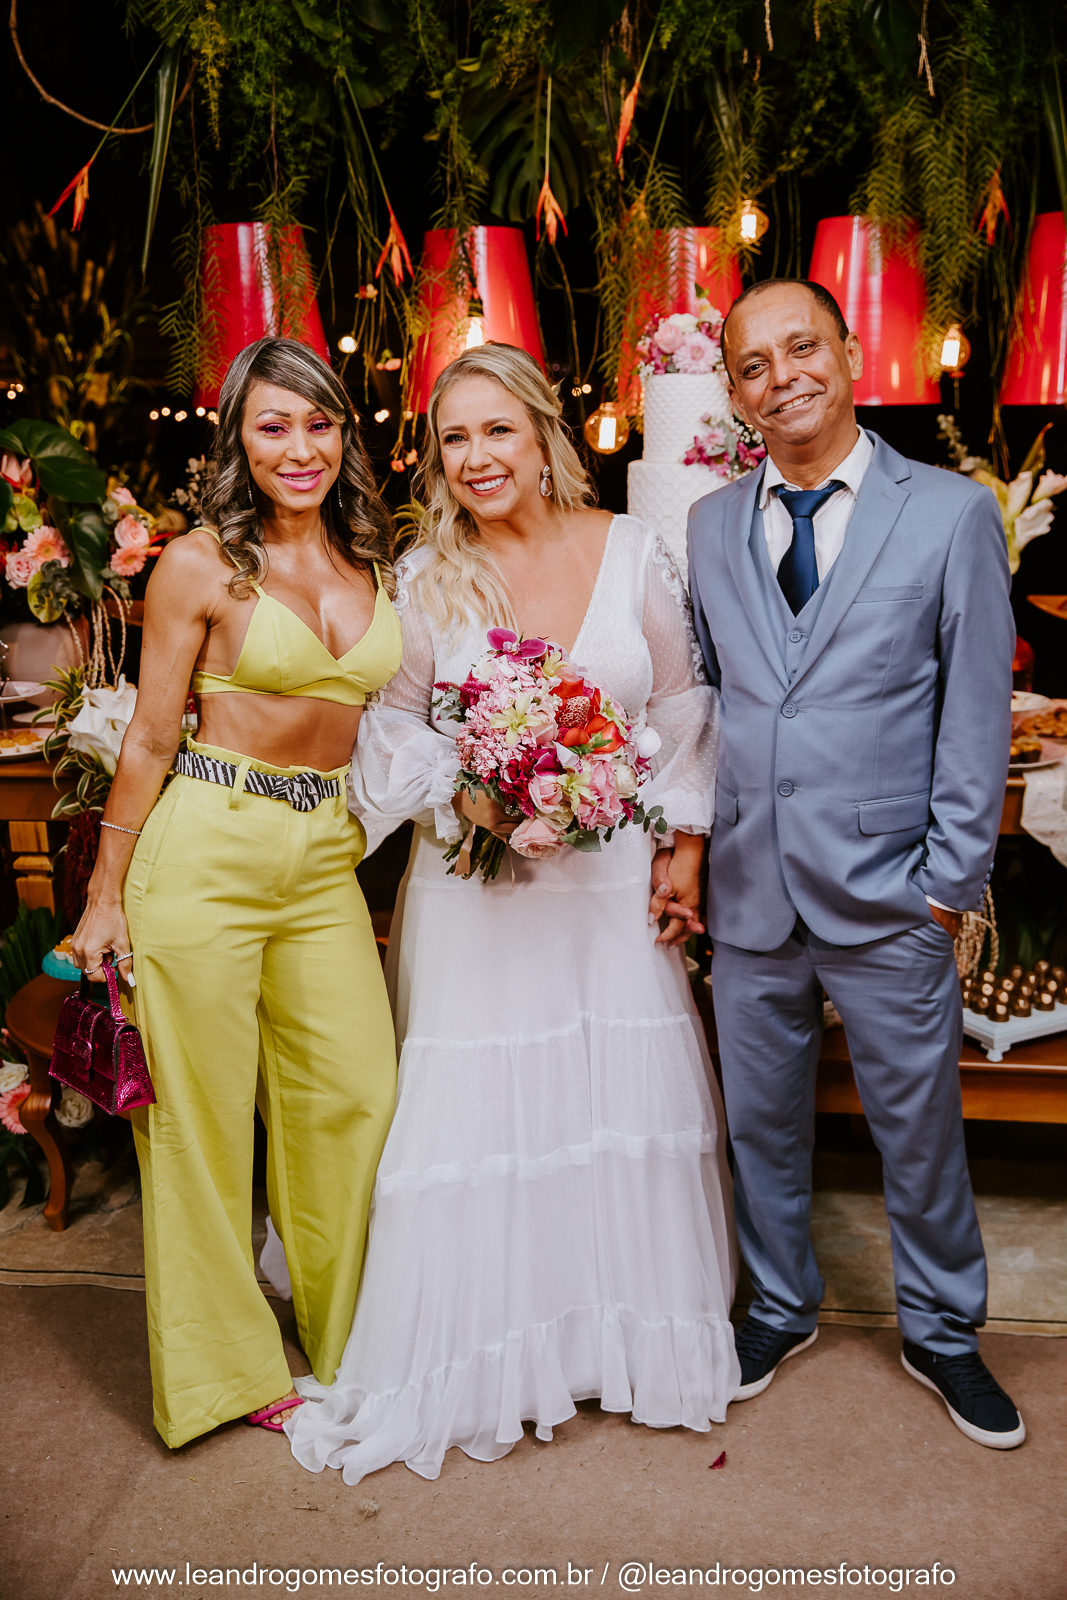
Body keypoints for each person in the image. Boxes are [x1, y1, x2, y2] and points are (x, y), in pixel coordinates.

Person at [286, 341, 739, 1485]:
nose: (476, 455)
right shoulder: (423, 578)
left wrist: (681, 844)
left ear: (543, 435)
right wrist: (472, 792)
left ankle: (604, 1342)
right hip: (477, 891)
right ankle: (487, 1352)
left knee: (612, 1107)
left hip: (608, 885)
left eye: (497, 429)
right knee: (479, 1119)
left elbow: (682, 703)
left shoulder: (629, 549)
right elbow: (389, 729)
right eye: (453, 437)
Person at [682, 279, 1024, 1449]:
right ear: (733, 393)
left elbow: (973, 714)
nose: (780, 376)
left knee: (916, 1129)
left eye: (800, 347)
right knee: (759, 1127)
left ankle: (941, 1329)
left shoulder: (948, 514)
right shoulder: (707, 526)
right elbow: (712, 703)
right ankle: (777, 1306)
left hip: (890, 891)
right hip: (749, 887)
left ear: (846, 351)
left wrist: (945, 887)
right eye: (751, 364)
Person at [71, 336, 402, 1450]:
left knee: (353, 1093)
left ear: (344, 433)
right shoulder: (200, 564)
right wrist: (106, 895)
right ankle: (224, 1372)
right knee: (200, 1123)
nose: (300, 447)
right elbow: (149, 738)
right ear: (238, 440)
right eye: (273, 425)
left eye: (319, 423)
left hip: (323, 854)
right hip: (207, 844)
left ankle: (351, 1336)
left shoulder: (372, 556)